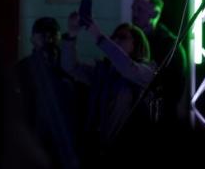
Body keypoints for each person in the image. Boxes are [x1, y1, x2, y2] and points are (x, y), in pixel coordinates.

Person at [61, 12, 155, 165]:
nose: (115, 40)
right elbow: (70, 67)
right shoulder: (103, 72)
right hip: (96, 151)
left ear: (137, 44)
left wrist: (98, 35)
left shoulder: (146, 72)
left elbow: (129, 69)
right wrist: (71, 34)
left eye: (122, 37)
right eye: (114, 37)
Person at [15, 17, 79, 169]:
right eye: (43, 34)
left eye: (51, 34)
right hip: (38, 141)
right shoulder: (23, 68)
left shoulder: (68, 67)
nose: (48, 39)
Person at [131, 0, 187, 120]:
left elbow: (171, 87)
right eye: (133, 9)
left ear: (155, 14)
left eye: (139, 9)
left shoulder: (168, 44)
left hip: (160, 117)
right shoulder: (134, 38)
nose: (134, 14)